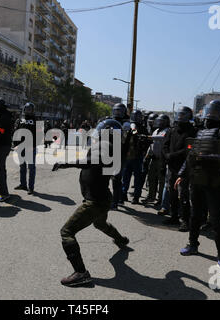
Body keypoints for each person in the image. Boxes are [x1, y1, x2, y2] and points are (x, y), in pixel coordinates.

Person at [52, 118, 129, 287]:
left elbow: (93, 161)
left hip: (96, 201)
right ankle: (121, 239)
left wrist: (66, 163)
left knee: (66, 232)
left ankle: (81, 273)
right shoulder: (113, 147)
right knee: (100, 224)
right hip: (102, 198)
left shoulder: (105, 146)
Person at [178, 100, 220, 276]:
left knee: (218, 221)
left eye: (215, 112)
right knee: (195, 215)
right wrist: (182, 173)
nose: (211, 115)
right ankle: (193, 244)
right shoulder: (200, 132)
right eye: (210, 111)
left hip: (217, 184)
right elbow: (190, 155)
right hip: (198, 180)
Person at [162, 106, 195, 230]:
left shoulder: (192, 131)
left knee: (184, 195)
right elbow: (165, 144)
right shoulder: (172, 130)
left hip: (184, 168)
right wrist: (166, 156)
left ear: (189, 116)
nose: (181, 117)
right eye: (179, 114)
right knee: (172, 193)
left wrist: (173, 155)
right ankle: (174, 216)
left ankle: (185, 220)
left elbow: (189, 149)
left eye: (184, 115)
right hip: (171, 167)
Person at [121, 110, 150, 204]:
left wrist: (143, 140)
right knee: (125, 178)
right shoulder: (127, 126)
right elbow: (124, 139)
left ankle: (136, 197)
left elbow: (147, 141)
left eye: (139, 116)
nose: (137, 118)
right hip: (127, 156)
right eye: (136, 116)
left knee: (138, 178)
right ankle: (123, 194)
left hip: (138, 157)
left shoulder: (143, 128)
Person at [143, 114, 170, 206]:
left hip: (162, 160)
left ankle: (160, 199)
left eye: (162, 121)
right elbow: (152, 144)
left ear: (166, 122)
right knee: (151, 178)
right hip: (153, 158)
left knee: (161, 180)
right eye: (159, 121)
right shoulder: (155, 131)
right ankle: (151, 196)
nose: (159, 122)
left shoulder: (167, 131)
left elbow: (161, 138)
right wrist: (147, 155)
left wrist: (147, 137)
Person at [14, 102, 39, 195]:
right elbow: (16, 132)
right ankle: (23, 184)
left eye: (30, 109)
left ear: (33, 110)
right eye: (27, 109)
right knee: (22, 167)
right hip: (20, 147)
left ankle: (31, 187)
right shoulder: (20, 119)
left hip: (30, 148)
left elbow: (39, 136)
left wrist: (33, 146)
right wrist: (15, 144)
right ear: (24, 109)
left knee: (31, 168)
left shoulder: (37, 120)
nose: (28, 111)